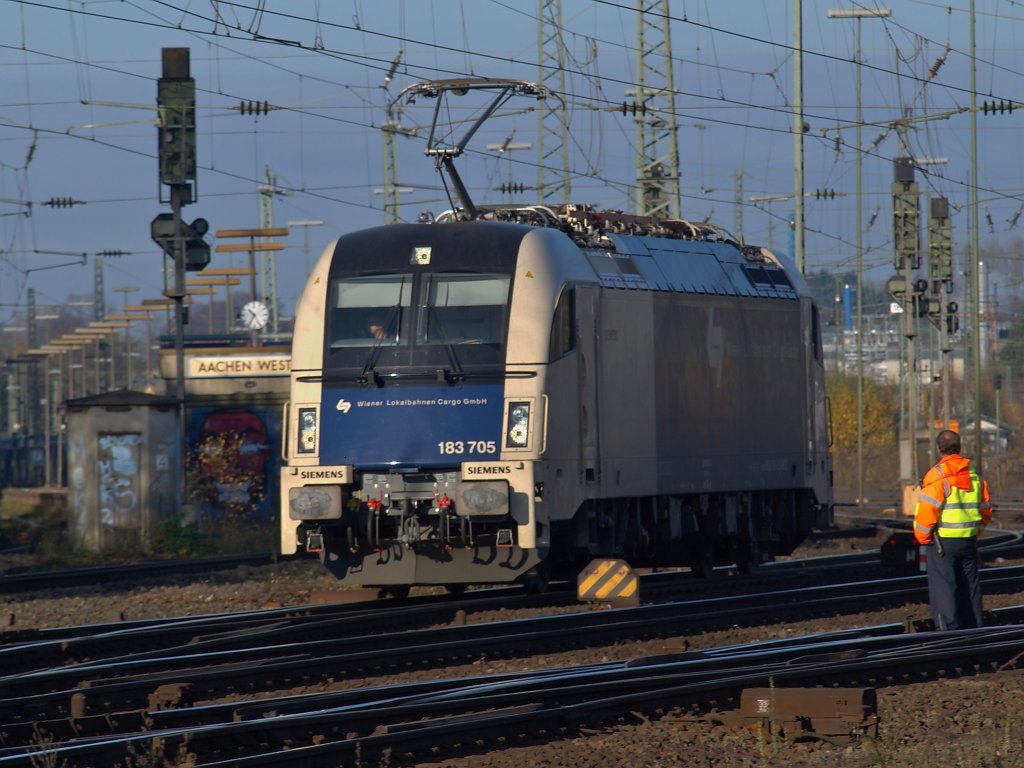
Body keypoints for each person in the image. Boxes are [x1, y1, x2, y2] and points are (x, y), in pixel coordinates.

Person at [913, 429, 992, 630]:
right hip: (968, 542)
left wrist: (923, 539)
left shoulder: (937, 477)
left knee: (944, 589)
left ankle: (948, 636)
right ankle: (975, 630)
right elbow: (985, 511)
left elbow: (927, 512)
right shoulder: (974, 476)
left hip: (942, 543)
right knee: (970, 589)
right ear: (959, 448)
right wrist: (975, 532)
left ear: (939, 450)